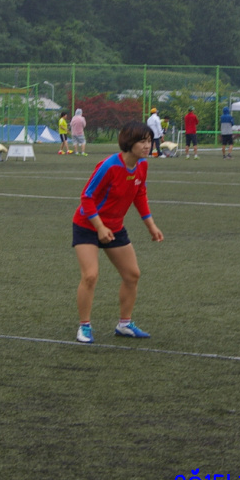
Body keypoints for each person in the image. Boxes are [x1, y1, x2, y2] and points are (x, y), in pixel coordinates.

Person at [72, 121, 164, 344]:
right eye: (142, 141)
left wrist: (151, 225)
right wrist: (99, 227)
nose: (147, 146)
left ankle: (124, 324)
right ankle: (84, 326)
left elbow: (139, 194)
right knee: (90, 275)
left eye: (149, 141)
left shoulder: (142, 165)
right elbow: (86, 198)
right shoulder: (109, 166)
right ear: (129, 143)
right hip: (87, 225)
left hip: (114, 228)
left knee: (132, 275)